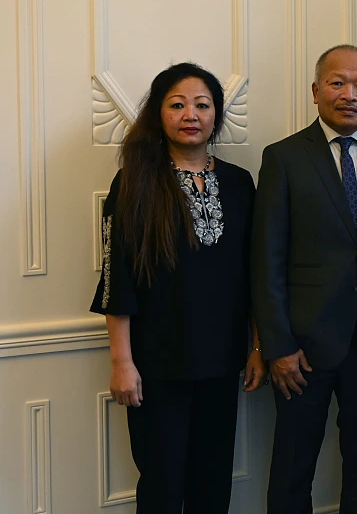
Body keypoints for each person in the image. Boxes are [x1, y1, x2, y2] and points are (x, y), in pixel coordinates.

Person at [251, 44, 357, 514]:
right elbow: (266, 259)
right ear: (315, 91)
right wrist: (278, 346)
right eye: (337, 83)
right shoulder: (284, 158)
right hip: (302, 348)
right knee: (293, 465)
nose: (349, 94)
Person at [90, 62, 267, 514]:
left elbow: (254, 274)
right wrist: (121, 362)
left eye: (202, 105)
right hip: (156, 366)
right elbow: (117, 274)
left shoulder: (239, 183)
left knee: (212, 482)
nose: (191, 114)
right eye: (177, 104)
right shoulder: (134, 181)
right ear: (158, 114)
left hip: (222, 361)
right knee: (163, 483)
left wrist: (257, 346)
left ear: (216, 115)